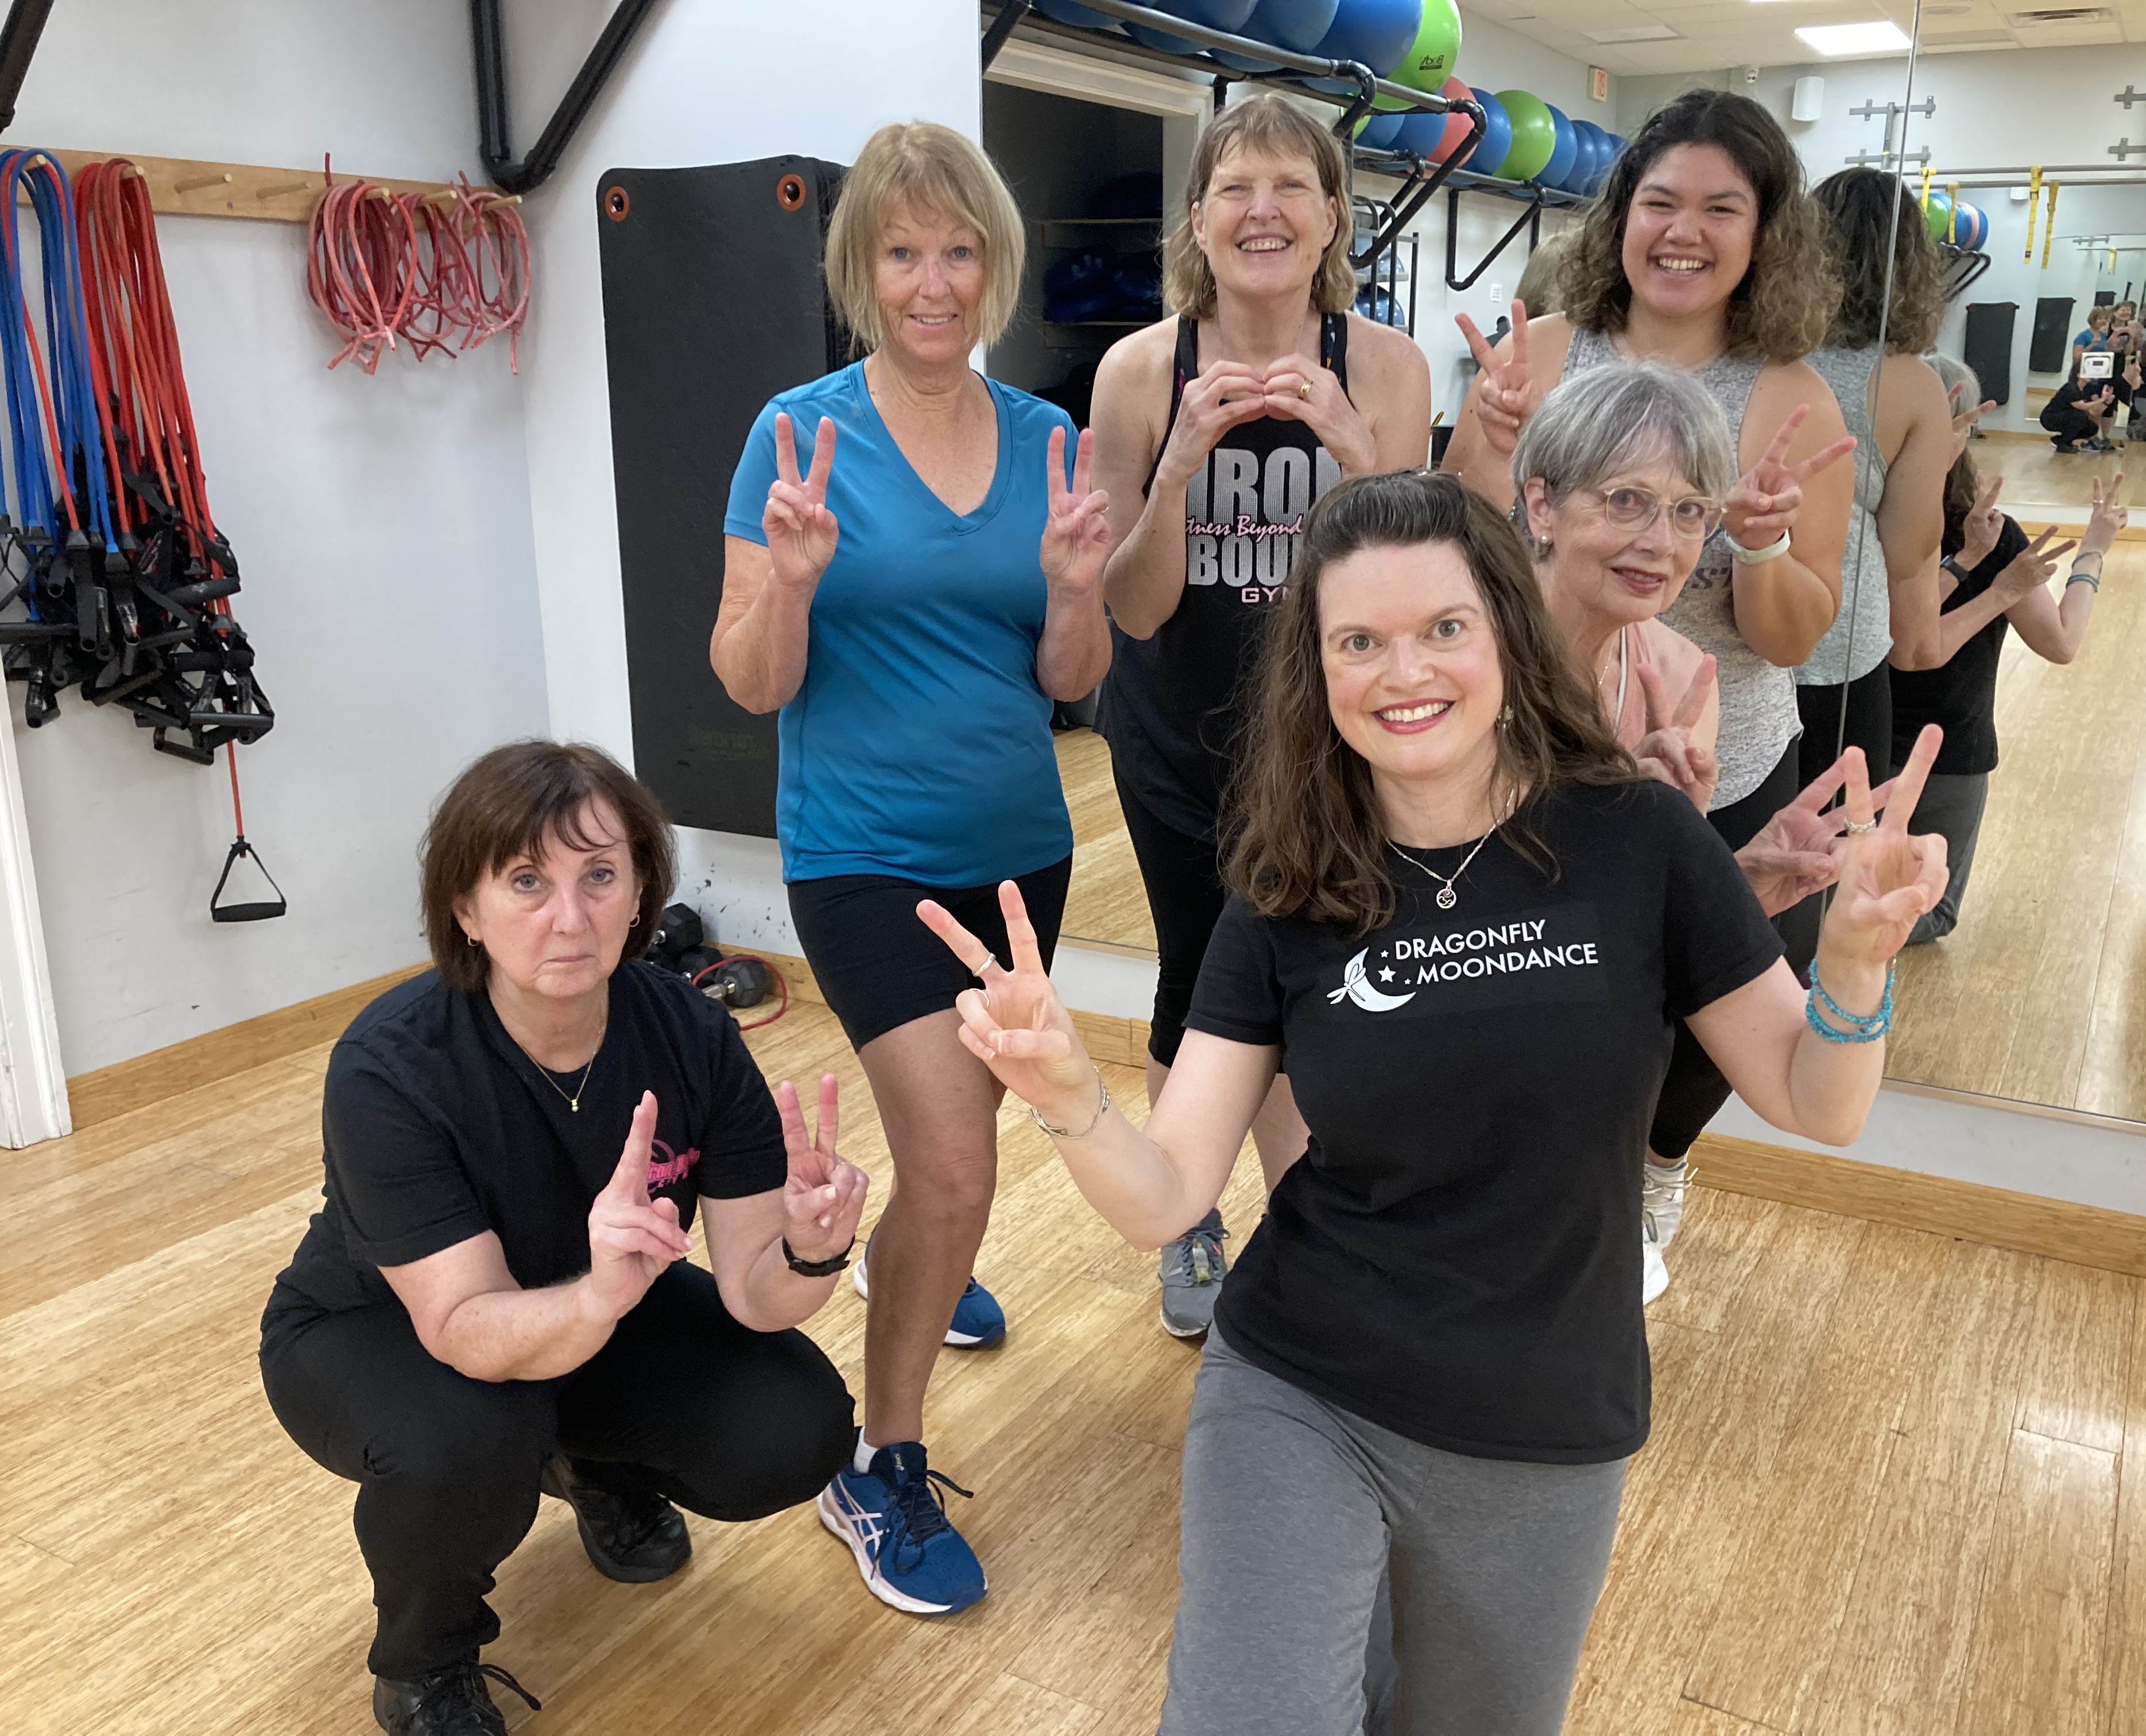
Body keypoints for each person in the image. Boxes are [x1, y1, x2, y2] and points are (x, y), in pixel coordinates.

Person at [919, 470, 1946, 1736]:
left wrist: (1852, 968)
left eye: (1442, 628)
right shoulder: (1288, 883)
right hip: (1303, 1382)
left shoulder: (1640, 841)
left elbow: (1814, 1100)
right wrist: (1073, 1100)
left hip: (1543, 1415)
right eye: (1359, 641)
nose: (1403, 673)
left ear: (1505, 632)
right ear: (1318, 670)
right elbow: (1168, 1195)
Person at [259, 742, 861, 1736]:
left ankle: (591, 1464)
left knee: (794, 1422)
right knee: (473, 1435)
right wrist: (595, 1301)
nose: (570, 916)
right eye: (527, 881)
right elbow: (461, 1325)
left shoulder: (691, 1033)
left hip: (597, 1300)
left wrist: (810, 1248)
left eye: (600, 876)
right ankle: (424, 1661)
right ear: (466, 907)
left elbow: (759, 1296)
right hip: (379, 1329)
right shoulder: (390, 1065)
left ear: (641, 894)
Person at [712, 119, 1112, 1614]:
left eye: (957, 250)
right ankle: (877, 1466)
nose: (932, 281)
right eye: (901, 252)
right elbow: (751, 682)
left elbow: (1072, 674)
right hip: (865, 856)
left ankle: (918, 1264)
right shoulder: (795, 436)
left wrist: (1074, 590)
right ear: (859, 269)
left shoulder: (1046, 436)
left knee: (958, 1159)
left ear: (992, 264)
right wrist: (792, 584)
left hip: (1020, 853)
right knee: (954, 1164)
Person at [1442, 87, 1857, 1255]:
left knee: (1725, 991)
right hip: (1539, 747)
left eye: (1722, 208)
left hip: (1720, 757)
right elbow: (1462, 554)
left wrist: (1760, 543)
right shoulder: (1544, 351)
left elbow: (1793, 639)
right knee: (1551, 991)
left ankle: (1661, 1160)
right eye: (1661, 201)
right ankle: (1543, 1185)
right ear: (1620, 213)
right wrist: (1487, 440)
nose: (1684, 231)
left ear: (1763, 235)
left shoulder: (1791, 397)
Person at [1088, 92, 1431, 1338]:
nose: (1263, 210)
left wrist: (1354, 449)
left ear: (1333, 217)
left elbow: (1414, 582)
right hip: (1177, 738)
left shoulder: (1385, 367)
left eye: (1291, 186)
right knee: (1199, 976)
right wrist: (1177, 468)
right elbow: (1130, 605)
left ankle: (1308, 1226)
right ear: (1198, 218)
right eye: (1235, 187)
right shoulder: (1140, 371)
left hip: (1331, 744)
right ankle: (1186, 1218)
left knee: (1327, 978)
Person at [1514, 362, 1882, 1300]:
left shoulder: (1680, 675)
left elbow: (1619, 945)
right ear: (1541, 504)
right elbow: (1457, 919)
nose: (1660, 541)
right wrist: (1607, 833)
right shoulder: (1455, 651)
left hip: (1560, 1059)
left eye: (1688, 512)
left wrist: (1744, 880)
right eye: (1626, 500)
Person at [1892, 360, 2126, 941]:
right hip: (1943, 752)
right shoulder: (1992, 535)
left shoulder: (1868, 522)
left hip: (1861, 744)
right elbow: (2062, 643)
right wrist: (2093, 552)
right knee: (1929, 912)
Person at [1794, 168, 1957, 790]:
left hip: (1735, 646)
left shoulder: (1754, 355)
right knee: (1832, 842)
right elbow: (1907, 553)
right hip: (1838, 654)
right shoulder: (1912, 382)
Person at [2040, 358, 2117, 454]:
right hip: (2050, 418)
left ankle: (2062, 440)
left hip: (2067, 416)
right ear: (2078, 375)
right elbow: (2083, 407)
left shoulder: (2088, 388)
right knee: (2080, 415)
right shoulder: (2071, 388)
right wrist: (2102, 400)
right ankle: (2063, 444)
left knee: (2092, 428)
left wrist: (2107, 402)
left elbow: (2094, 412)